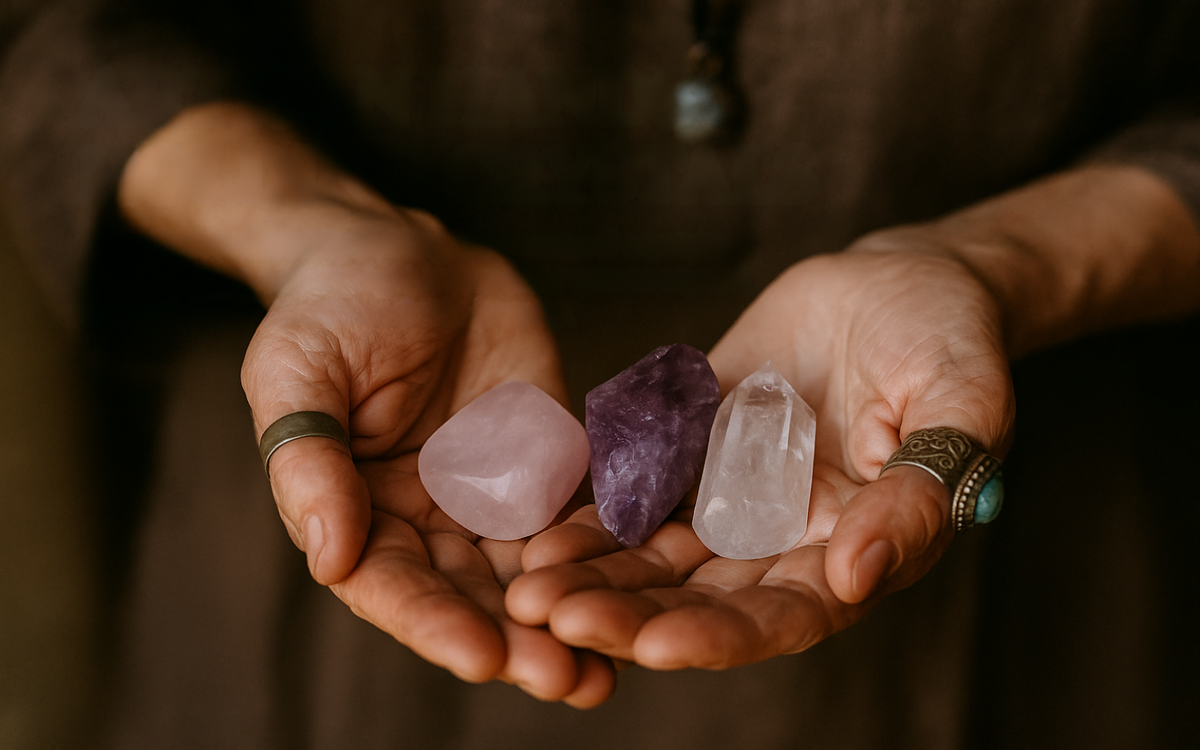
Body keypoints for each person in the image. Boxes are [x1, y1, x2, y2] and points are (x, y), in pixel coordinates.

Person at [2, 1, 1199, 747]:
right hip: (369, 488)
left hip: (1035, 577)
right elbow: (53, 32)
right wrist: (308, 224)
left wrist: (1011, 265)